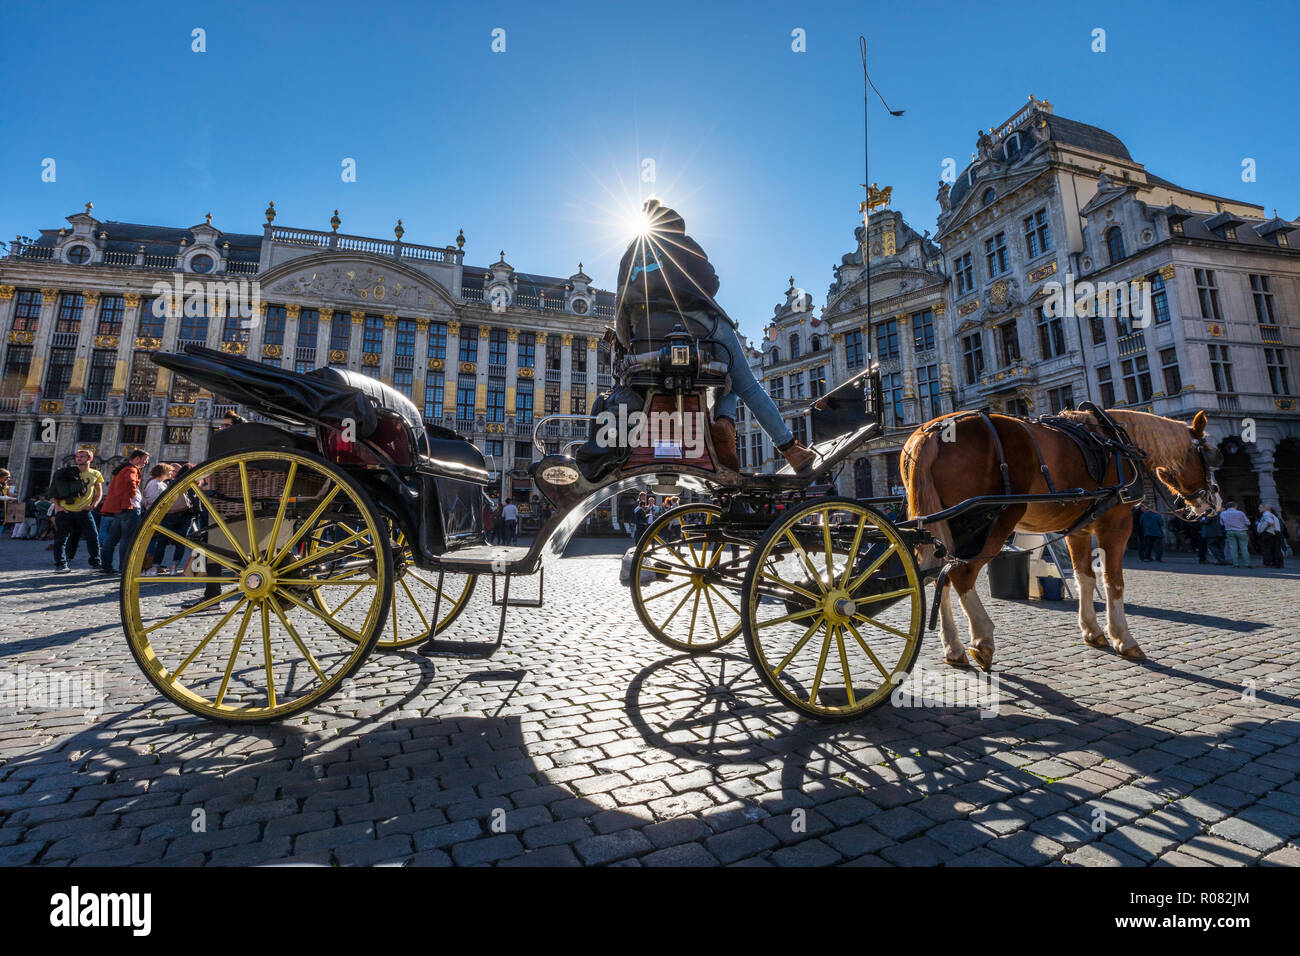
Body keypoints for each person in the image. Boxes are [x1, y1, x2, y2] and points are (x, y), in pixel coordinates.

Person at [615, 199, 815, 475]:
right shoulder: (680, 240)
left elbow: (620, 306)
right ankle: (790, 449)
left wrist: (631, 346)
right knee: (746, 385)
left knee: (726, 381)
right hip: (698, 327)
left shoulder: (629, 257)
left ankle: (723, 425)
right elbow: (710, 283)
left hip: (646, 339)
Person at [48, 449, 104, 573]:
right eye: (77, 456)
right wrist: (57, 507)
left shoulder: (96, 474)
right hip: (65, 511)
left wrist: (94, 505)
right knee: (62, 538)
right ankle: (60, 564)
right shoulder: (65, 472)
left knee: (93, 536)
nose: (78, 459)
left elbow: (99, 493)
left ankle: (96, 563)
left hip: (84, 511)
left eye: (82, 457)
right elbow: (54, 490)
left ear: (89, 459)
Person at [99, 448, 150, 576]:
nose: (146, 463)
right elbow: (130, 481)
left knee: (111, 538)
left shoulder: (122, 469)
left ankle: (106, 566)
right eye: (145, 460)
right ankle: (124, 567)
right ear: (137, 459)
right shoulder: (131, 469)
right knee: (127, 539)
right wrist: (134, 494)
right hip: (129, 508)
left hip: (119, 509)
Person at [1219, 500, 1251, 568]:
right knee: (1244, 548)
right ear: (1235, 506)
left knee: (1233, 548)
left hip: (1229, 531)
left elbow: (1221, 523)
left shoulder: (1223, 513)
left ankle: (1235, 564)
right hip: (1241, 531)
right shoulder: (1240, 513)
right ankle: (1247, 563)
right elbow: (1248, 523)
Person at [1257, 504, 1284, 569]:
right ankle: (1277, 564)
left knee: (1266, 549)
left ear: (1265, 508)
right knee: (1276, 549)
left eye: (1260, 507)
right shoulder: (1272, 515)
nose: (1259, 508)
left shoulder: (1266, 514)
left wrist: (1263, 529)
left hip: (1268, 533)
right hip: (1275, 533)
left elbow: (1271, 523)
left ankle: (1266, 564)